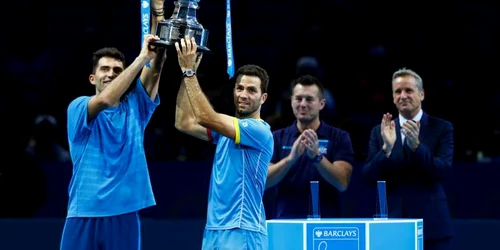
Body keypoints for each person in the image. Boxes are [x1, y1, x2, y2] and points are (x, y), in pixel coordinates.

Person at [59, 1, 168, 249]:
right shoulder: (78, 107)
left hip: (124, 213)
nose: (110, 74)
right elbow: (106, 99)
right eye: (104, 69)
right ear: (92, 77)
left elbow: (156, 66)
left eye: (117, 70)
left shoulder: (136, 107)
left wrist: (157, 13)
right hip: (82, 212)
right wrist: (141, 58)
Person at [174, 36, 273, 250]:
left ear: (263, 98)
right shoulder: (226, 132)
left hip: (243, 229)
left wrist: (190, 72)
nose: (243, 95)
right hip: (214, 229)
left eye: (251, 90)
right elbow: (184, 122)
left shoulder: (260, 131)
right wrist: (186, 75)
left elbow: (205, 117)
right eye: (239, 88)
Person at [362, 68, 454, 250]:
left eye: (409, 90)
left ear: (421, 94)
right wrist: (386, 150)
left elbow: (441, 171)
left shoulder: (441, 128)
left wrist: (416, 147)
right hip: (393, 225)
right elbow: (367, 178)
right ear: (393, 97)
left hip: (431, 226)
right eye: (398, 91)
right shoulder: (380, 131)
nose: (403, 95)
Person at [266, 75, 354, 219]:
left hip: (327, 224)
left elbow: (342, 182)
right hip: (287, 222)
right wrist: (290, 159)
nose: (303, 104)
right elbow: (264, 182)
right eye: (298, 99)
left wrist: (317, 157)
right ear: (291, 102)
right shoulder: (276, 138)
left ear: (322, 104)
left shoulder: (339, 137)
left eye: (309, 99)